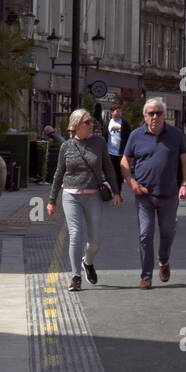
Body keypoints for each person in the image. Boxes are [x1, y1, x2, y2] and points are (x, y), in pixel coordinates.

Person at [46, 110, 121, 292]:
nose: (91, 125)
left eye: (91, 122)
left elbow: (109, 168)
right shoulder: (67, 147)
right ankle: (75, 277)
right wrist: (51, 199)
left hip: (93, 195)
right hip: (71, 196)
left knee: (94, 241)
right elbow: (58, 174)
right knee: (76, 235)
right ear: (76, 125)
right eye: (87, 122)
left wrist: (116, 191)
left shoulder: (99, 143)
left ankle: (87, 263)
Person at [121, 98, 186, 289]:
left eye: (158, 113)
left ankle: (164, 260)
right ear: (145, 116)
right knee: (145, 233)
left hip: (168, 195)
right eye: (151, 113)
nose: (155, 117)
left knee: (167, 232)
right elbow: (125, 161)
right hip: (144, 196)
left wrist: (184, 184)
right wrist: (131, 182)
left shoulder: (175, 135)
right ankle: (146, 275)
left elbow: (185, 161)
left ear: (164, 115)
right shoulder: (136, 135)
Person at [106, 107, 129, 187]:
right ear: (112, 112)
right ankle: (110, 190)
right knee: (110, 172)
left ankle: (118, 191)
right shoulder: (108, 123)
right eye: (117, 112)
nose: (118, 113)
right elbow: (105, 136)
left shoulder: (124, 123)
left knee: (118, 173)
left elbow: (128, 137)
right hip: (110, 152)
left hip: (120, 153)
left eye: (120, 112)